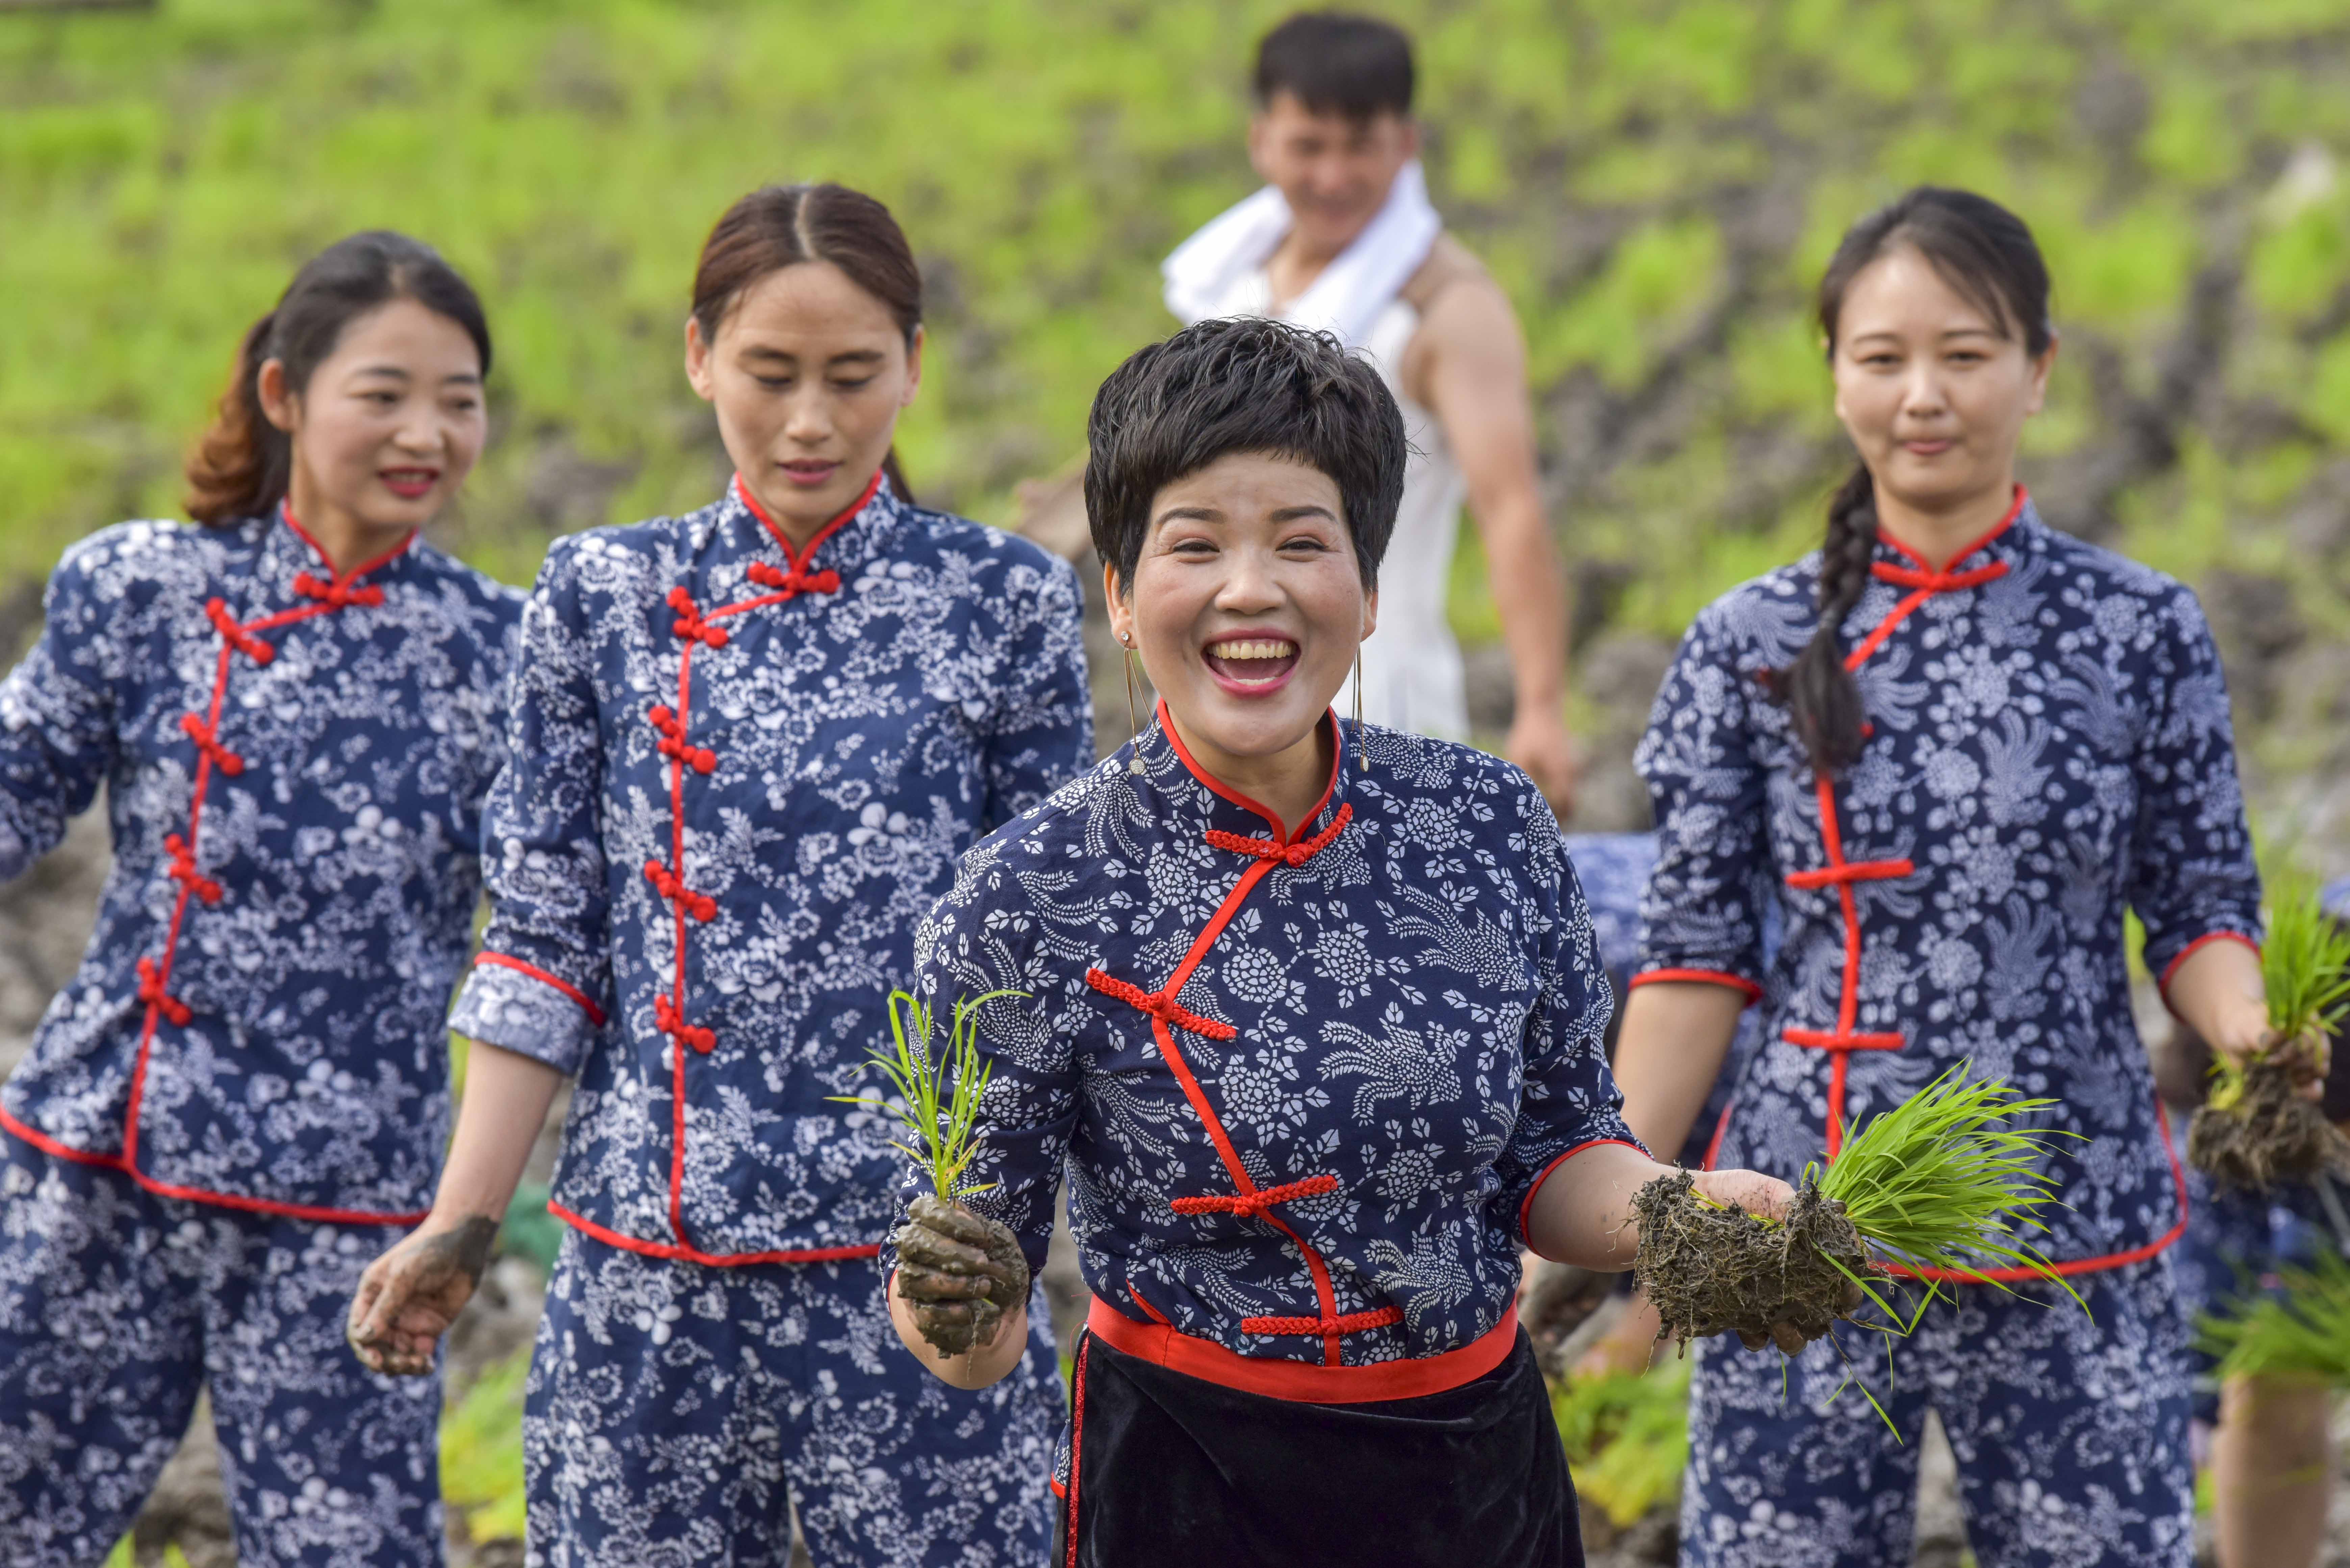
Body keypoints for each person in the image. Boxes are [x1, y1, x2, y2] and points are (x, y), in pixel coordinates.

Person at [884, 317, 1821, 1568]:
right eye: (1194, 544)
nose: (1249, 589)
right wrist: (948, 1301)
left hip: (1472, 1479)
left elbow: (1554, 1157)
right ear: (1116, 591)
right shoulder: (1028, 894)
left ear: (1370, 591)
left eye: (1300, 542)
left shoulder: (1481, 823)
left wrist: (1679, 1212)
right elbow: (972, 1313)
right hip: (1188, 1485)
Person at [345, 183, 1092, 1567]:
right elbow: (544, 940)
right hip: (647, 1281)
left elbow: (1037, 966)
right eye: (769, 374)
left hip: (915, 1274)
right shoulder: (602, 595)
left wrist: (1000, 1241)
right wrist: (459, 1221)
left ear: (914, 367)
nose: (810, 419)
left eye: (853, 376)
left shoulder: (1003, 601)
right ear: (698, 360)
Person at [1611, 187, 2271, 1568]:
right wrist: (1621, 1194)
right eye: (1881, 356)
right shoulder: (1750, 639)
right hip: (1795, 1225)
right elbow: (1691, 960)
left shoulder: (2134, 630)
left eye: (1963, 355)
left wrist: (2260, 1043)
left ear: (2035, 371)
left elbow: (2200, 904)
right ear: (1832, 371)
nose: (1922, 395)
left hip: (2068, 1211)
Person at [0, 233, 520, 1566]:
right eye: (386, 393)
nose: (427, 434)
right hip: (101, 1167)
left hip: (346, 1219)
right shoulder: (140, 589)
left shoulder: (498, 652)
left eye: (458, 400)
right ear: (284, 395)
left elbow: (553, 923)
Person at [1158, 10, 1579, 814]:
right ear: (1261, 140)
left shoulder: (1446, 309)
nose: (1333, 176)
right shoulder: (1226, 287)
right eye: (1308, 146)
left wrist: (1542, 707)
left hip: (1380, 688)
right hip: (1223, 678)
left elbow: (1511, 508)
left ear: (1407, 143)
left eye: (1361, 147)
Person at [2154, 874, 2350, 1568]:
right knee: (2275, 1374)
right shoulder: (2250, 1126)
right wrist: (2188, 1414)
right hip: (2288, 1177)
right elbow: (2207, 1291)